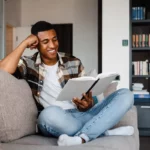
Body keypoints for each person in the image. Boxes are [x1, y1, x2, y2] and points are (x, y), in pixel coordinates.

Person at [0, 21, 134, 146]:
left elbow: (86, 96)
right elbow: (3, 70)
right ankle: (101, 131)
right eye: (45, 42)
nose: (52, 45)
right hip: (57, 119)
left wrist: (87, 104)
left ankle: (83, 137)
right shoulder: (28, 64)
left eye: (54, 39)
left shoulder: (73, 62)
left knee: (126, 94)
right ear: (35, 44)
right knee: (48, 114)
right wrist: (24, 43)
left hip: (81, 115)